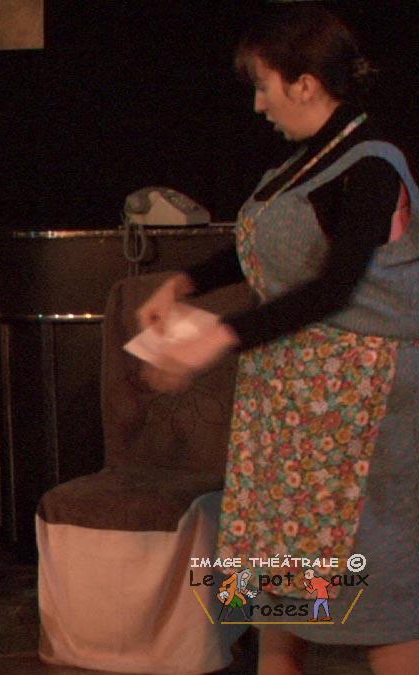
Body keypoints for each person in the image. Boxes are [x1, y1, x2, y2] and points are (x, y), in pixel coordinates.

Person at [136, 6, 418, 673]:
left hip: (357, 405)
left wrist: (219, 334)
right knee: (276, 575)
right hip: (290, 404)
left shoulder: (372, 163)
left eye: (264, 86)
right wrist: (185, 283)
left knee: (372, 579)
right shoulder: (301, 162)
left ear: (305, 83)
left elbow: (335, 287)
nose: (258, 104)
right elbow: (265, 249)